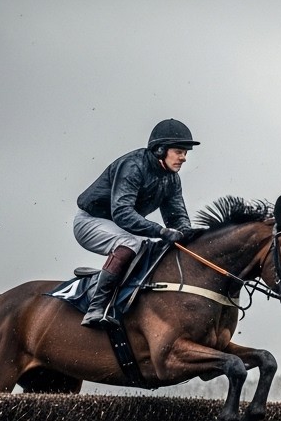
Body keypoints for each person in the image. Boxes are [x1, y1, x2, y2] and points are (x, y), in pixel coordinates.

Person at [74, 118, 199, 328]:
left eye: (185, 152)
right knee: (131, 244)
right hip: (90, 221)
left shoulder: (171, 179)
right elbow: (122, 213)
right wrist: (160, 230)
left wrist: (192, 236)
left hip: (120, 226)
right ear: (160, 150)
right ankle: (96, 307)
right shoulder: (133, 166)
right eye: (179, 151)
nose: (184, 158)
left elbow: (177, 218)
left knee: (153, 248)